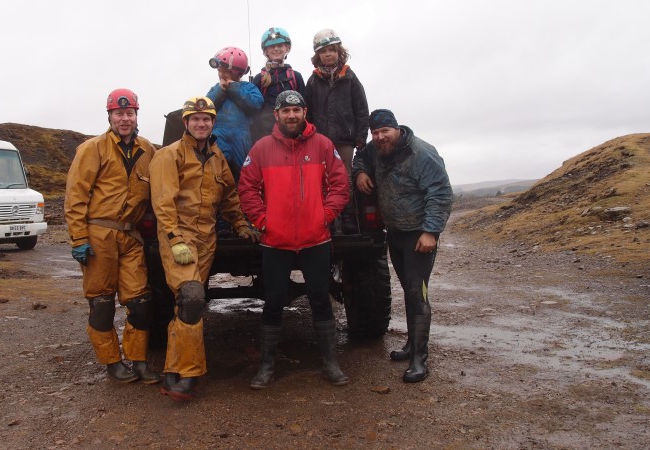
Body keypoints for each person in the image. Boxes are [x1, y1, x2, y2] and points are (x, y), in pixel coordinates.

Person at [149, 96, 260, 401]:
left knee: (186, 305)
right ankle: (190, 374)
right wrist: (174, 240)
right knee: (192, 297)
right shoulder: (169, 155)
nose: (201, 123)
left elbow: (229, 197)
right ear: (186, 123)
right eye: (195, 119)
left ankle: (172, 369)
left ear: (213, 123)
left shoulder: (216, 157)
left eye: (206, 119)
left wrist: (240, 225)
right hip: (180, 237)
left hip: (207, 239)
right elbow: (163, 202)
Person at [238, 90, 350, 389]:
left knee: (320, 299)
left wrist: (325, 215)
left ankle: (330, 362)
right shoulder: (261, 149)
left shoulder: (323, 145)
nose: (291, 115)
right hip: (276, 241)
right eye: (285, 111)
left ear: (304, 113)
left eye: (296, 110)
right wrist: (264, 221)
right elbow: (247, 189)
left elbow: (340, 184)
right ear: (276, 115)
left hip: (316, 239)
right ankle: (266, 366)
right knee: (273, 301)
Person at [64, 88, 160, 385]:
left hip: (131, 237)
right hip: (99, 235)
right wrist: (79, 239)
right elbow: (76, 196)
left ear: (136, 115)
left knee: (141, 303)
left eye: (130, 113)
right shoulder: (92, 149)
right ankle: (112, 363)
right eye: (119, 113)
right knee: (102, 304)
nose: (125, 119)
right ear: (109, 116)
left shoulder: (148, 150)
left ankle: (139, 360)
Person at [352, 109, 453, 383]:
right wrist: (360, 172)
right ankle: (411, 346)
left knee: (417, 292)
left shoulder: (421, 153)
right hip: (395, 233)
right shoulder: (376, 149)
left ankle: (420, 360)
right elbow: (360, 157)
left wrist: (431, 231)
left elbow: (441, 193)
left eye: (385, 131)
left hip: (419, 235)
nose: (380, 137)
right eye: (375, 133)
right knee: (408, 289)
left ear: (397, 129)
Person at [305, 28, 369, 234]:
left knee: (345, 178)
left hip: (345, 139)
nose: (328, 54)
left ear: (339, 51)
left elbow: (361, 109)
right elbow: (307, 112)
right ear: (318, 55)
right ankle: (330, 219)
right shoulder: (313, 80)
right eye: (323, 51)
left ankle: (348, 218)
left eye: (332, 50)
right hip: (320, 140)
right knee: (323, 179)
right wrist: (308, 137)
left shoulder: (349, 77)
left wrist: (361, 136)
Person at [206, 46, 263, 184]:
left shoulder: (247, 87)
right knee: (216, 170)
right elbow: (207, 107)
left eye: (225, 71)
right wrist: (220, 91)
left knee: (244, 171)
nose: (221, 74)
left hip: (242, 136)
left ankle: (243, 194)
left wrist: (234, 88)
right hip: (218, 135)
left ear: (237, 73)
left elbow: (256, 104)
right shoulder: (215, 88)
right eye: (219, 71)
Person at [251, 27, 306, 143]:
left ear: (287, 48)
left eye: (280, 45)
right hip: (266, 135)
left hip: (292, 135)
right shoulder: (259, 79)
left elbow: (304, 107)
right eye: (272, 46)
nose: (276, 48)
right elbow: (253, 110)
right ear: (265, 51)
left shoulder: (296, 77)